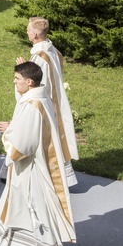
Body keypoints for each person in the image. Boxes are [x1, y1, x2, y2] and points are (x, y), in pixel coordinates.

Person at [0, 61, 76, 246]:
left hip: (31, 168)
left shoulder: (32, 104)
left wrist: (8, 130)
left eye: (17, 79)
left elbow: (23, 145)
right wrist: (13, 124)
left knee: (31, 208)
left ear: (29, 82)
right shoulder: (41, 97)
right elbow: (33, 128)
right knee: (14, 204)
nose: (14, 82)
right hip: (34, 163)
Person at [14, 16, 78, 186]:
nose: (26, 33)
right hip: (54, 98)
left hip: (44, 102)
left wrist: (24, 70)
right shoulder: (50, 49)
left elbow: (35, 83)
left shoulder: (40, 56)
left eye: (28, 31)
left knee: (43, 138)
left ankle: (55, 177)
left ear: (35, 35)